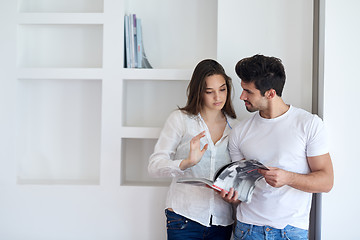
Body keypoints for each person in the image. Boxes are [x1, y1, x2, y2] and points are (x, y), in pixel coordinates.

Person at [221, 54, 334, 240]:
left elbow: (326, 181)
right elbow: (239, 186)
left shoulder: (309, 124)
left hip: (290, 232)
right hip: (246, 230)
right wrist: (231, 196)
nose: (241, 97)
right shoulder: (239, 132)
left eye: (248, 91)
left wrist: (288, 177)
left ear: (270, 93)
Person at [148, 59, 238, 240]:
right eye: (209, 92)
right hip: (184, 217)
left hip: (221, 221)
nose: (218, 97)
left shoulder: (236, 128)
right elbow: (154, 167)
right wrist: (187, 163)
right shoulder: (180, 119)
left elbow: (236, 176)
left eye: (222, 89)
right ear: (199, 92)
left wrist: (234, 194)